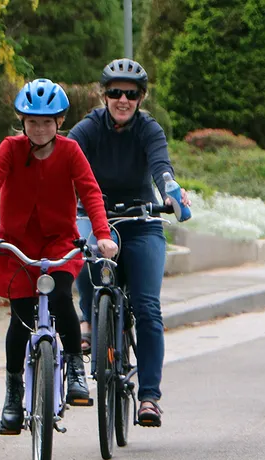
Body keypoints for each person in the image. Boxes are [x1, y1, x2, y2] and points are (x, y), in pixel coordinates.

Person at [0, 79, 118, 433]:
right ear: (22, 121)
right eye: (32, 121)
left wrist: (101, 235)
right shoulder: (9, 149)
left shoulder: (69, 152)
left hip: (58, 245)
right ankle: (12, 394)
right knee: (19, 319)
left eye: (47, 121)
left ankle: (76, 369)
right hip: (16, 246)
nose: (39, 129)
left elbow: (91, 192)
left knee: (63, 298)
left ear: (60, 122)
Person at [70, 58, 188, 427]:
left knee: (148, 307)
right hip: (96, 216)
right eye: (115, 92)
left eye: (131, 94)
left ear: (141, 97)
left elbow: (161, 166)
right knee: (81, 246)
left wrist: (171, 192)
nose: (123, 99)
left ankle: (149, 396)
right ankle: (89, 317)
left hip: (141, 221)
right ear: (103, 95)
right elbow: (65, 160)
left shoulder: (148, 129)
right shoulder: (88, 128)